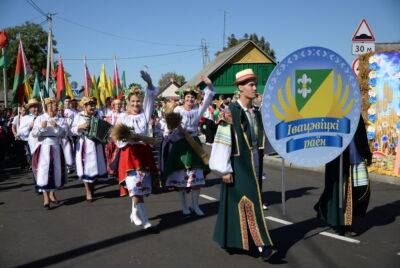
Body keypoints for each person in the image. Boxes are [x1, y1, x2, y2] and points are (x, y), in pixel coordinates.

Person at [209, 69, 276, 261]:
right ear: (240, 88)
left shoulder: (256, 112)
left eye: (255, 84)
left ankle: (233, 238)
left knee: (244, 202)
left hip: (255, 162)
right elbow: (222, 141)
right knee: (251, 202)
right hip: (238, 164)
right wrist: (224, 169)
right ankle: (263, 245)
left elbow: (263, 137)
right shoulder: (230, 112)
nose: (255, 88)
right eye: (250, 84)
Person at [163, 75, 215, 216]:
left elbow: (208, 99)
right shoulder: (178, 110)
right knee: (182, 178)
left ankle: (196, 206)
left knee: (196, 177)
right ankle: (184, 206)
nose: (190, 100)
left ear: (195, 99)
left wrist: (209, 85)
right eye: (187, 97)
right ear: (183, 98)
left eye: (192, 97)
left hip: (194, 143)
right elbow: (170, 126)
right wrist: (174, 133)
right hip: (181, 144)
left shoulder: (198, 110)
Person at [114, 71, 159, 229]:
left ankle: (134, 213)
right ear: (127, 102)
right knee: (134, 187)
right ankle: (145, 219)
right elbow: (117, 139)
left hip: (143, 153)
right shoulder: (122, 118)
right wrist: (128, 139)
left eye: (138, 101)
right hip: (129, 155)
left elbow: (151, 97)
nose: (136, 104)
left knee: (140, 186)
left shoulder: (145, 114)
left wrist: (149, 83)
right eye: (132, 101)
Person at [314, 116, 372, 236]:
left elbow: (362, 134)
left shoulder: (356, 113)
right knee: (340, 193)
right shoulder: (333, 113)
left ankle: (342, 218)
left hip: (356, 157)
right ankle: (341, 224)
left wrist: (367, 152)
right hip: (337, 160)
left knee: (361, 188)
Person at [31, 98, 67, 208]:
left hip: (56, 146)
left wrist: (56, 127)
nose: (53, 108)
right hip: (43, 147)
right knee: (44, 171)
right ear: (47, 107)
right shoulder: (40, 118)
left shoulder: (60, 119)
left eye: (55, 105)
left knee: (55, 171)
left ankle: (52, 193)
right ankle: (45, 197)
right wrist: (41, 128)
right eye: (51, 106)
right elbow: (34, 134)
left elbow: (64, 134)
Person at [71, 97, 108, 202]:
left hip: (97, 144)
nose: (92, 107)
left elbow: (104, 128)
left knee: (95, 167)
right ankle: (88, 191)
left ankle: (92, 187)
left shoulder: (99, 114)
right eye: (90, 105)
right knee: (86, 168)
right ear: (84, 106)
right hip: (85, 144)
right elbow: (72, 130)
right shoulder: (79, 116)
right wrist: (80, 127)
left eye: (93, 105)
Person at [18, 99, 42, 171]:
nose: (36, 109)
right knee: (37, 165)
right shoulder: (26, 118)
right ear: (30, 109)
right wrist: (29, 127)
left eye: (37, 107)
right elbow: (20, 132)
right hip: (33, 144)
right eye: (34, 107)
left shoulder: (43, 116)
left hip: (44, 143)